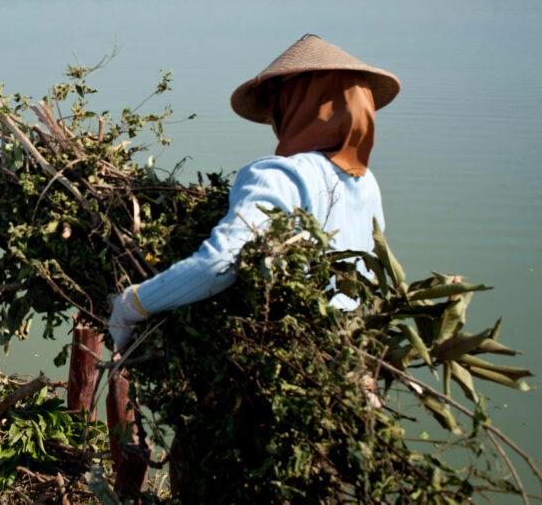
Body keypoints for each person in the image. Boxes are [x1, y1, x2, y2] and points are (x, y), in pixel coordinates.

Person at [108, 34, 401, 350]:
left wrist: (132, 304)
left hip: (283, 355)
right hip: (349, 354)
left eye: (278, 100)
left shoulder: (280, 175)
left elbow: (220, 264)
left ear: (294, 104)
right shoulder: (365, 182)